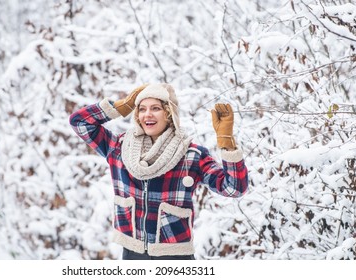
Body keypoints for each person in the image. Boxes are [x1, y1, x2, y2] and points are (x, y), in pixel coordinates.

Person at [69, 83, 248, 260]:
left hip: (175, 257)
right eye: (141, 109)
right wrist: (121, 107)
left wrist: (227, 143)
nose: (147, 114)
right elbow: (79, 122)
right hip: (133, 254)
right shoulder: (119, 148)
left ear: (169, 114)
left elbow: (234, 188)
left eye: (155, 108)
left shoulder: (192, 156)